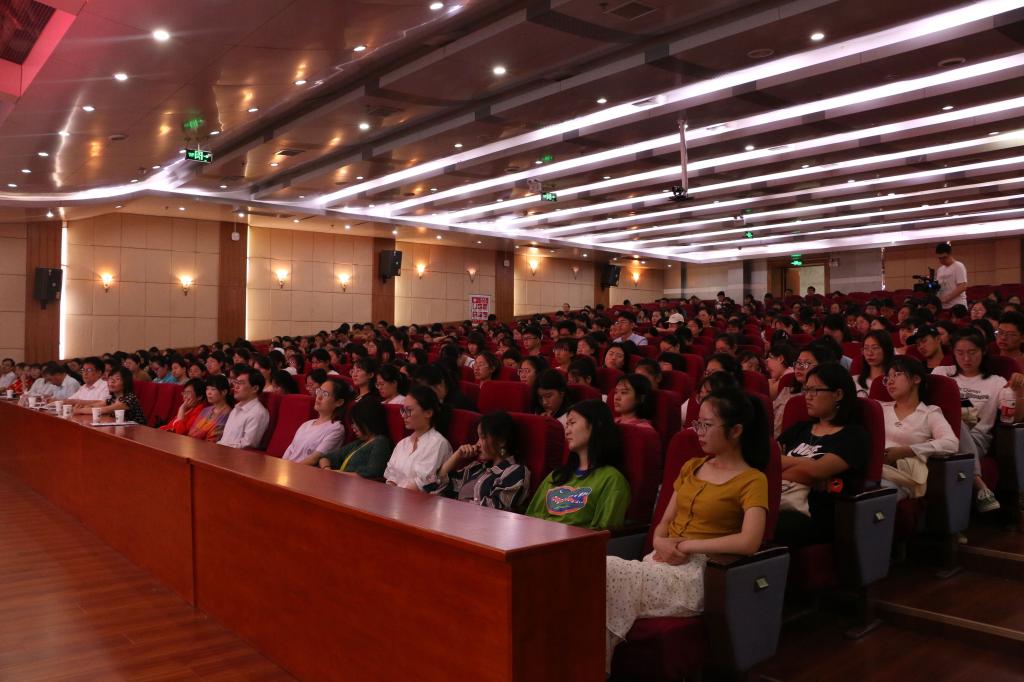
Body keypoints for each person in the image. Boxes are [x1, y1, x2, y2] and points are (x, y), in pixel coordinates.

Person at [604, 386, 769, 672]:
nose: (698, 432)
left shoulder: (752, 480)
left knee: (604, 570)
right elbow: (664, 523)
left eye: (707, 425)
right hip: (660, 560)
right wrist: (660, 541)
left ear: (736, 430)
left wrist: (686, 546)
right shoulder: (692, 466)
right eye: (697, 424)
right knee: (591, 579)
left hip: (699, 574)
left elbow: (749, 542)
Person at [775, 363, 869, 548]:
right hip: (780, 497)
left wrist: (783, 467)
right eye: (806, 389)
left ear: (838, 394)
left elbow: (817, 471)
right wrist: (804, 467)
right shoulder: (799, 429)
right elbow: (767, 460)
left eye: (815, 390)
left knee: (763, 524)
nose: (807, 396)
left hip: (816, 512)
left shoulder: (854, 436)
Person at [933, 332, 1024, 512]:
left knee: (954, 422)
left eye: (972, 352)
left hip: (976, 440)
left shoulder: (996, 382)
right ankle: (979, 485)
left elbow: (1015, 418)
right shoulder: (942, 373)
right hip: (937, 436)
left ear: (983, 351)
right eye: (960, 353)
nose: (966, 358)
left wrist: (1020, 393)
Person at [526, 399, 629, 529]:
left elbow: (603, 532)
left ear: (596, 425)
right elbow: (531, 519)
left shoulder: (612, 480)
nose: (567, 431)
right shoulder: (557, 475)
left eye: (572, 423)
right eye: (566, 425)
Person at [878, 358, 959, 499]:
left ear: (916, 379)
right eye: (887, 378)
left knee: (878, 491)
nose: (890, 381)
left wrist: (909, 450)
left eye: (896, 375)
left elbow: (951, 443)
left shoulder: (929, 413)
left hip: (902, 478)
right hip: (874, 469)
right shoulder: (879, 408)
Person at [425, 411, 530, 511]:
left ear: (501, 441)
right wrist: (457, 455)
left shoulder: (515, 471)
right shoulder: (476, 467)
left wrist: (454, 507)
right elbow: (433, 487)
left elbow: (494, 511)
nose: (477, 444)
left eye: (482, 437)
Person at [384, 386, 453, 490]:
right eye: (403, 410)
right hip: (396, 496)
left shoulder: (438, 443)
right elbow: (391, 477)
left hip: (420, 499)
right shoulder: (403, 443)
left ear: (428, 413)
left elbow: (421, 485)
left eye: (409, 410)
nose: (403, 415)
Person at [283, 379, 350, 465]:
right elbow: (290, 450)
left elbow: (314, 459)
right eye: (319, 391)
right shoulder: (306, 424)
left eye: (325, 394)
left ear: (339, 402)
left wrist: (289, 470)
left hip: (303, 471)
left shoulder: (336, 429)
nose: (319, 397)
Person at [321, 398, 393, 477]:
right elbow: (325, 458)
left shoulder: (381, 442)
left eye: (355, 423)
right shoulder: (359, 442)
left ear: (367, 421)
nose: (353, 427)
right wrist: (327, 469)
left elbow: (371, 473)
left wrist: (335, 474)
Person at [218, 367, 270, 449]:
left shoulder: (258, 413)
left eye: (241, 383)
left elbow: (248, 446)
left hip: (236, 455)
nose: (236, 387)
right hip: (223, 451)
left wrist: (220, 448)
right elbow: (225, 440)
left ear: (255, 388)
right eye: (236, 382)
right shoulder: (236, 409)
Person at [72, 367, 146, 423]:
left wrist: (79, 410)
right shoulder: (112, 399)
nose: (112, 382)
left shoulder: (129, 398)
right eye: (110, 378)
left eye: (117, 379)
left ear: (126, 382)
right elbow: (95, 405)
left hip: (137, 431)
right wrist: (84, 407)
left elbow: (104, 410)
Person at [188, 375, 233, 442]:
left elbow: (213, 439)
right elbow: (191, 431)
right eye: (207, 389)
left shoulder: (227, 414)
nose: (209, 393)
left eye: (213, 389)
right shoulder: (206, 410)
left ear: (224, 392)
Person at [855, 330, 894, 397]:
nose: (869, 353)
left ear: (886, 350)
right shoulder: (854, 380)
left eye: (875, 348)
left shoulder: (894, 382)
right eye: (866, 348)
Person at [935, 242, 968, 310]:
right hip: (943, 306)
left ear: (950, 254)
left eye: (944, 257)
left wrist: (946, 299)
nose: (942, 260)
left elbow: (962, 286)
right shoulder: (940, 269)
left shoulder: (958, 266)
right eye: (940, 258)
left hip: (957, 305)